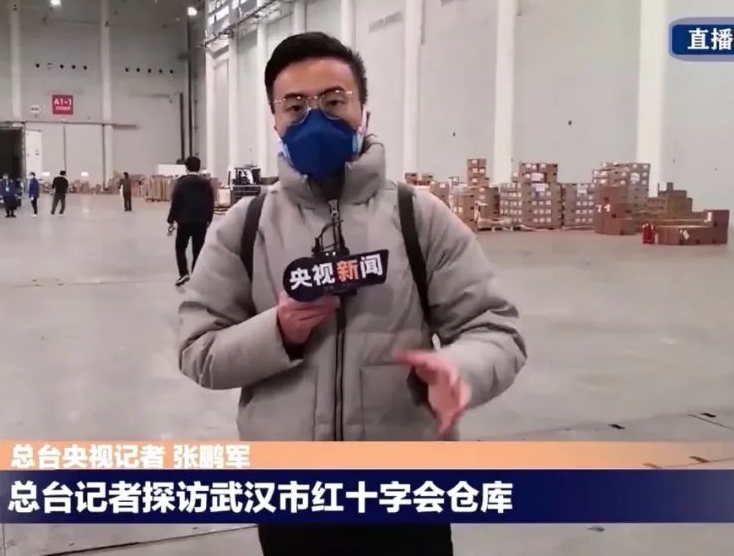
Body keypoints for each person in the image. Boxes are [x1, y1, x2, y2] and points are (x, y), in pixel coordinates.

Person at [176, 33, 527, 556]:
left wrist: (461, 370)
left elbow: (494, 329)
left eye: (333, 101)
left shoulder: (419, 216)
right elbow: (197, 348)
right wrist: (278, 332)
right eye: (296, 106)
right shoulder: (245, 227)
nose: (315, 119)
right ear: (275, 119)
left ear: (363, 110)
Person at [167, 156, 214, 287]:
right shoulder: (206, 183)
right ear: (199, 167)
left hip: (184, 221)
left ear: (186, 167)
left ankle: (184, 273)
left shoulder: (181, 183)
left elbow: (176, 202)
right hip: (201, 222)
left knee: (180, 247)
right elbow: (210, 202)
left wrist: (171, 220)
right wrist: (209, 218)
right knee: (198, 249)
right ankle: (196, 274)